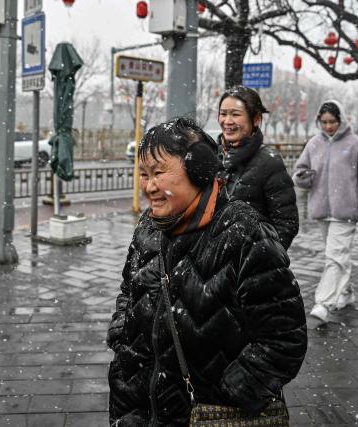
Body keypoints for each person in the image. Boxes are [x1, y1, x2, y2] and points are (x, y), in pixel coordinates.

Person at [107, 117, 307, 426]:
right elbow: (127, 290)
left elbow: (284, 339)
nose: (148, 187)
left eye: (159, 173)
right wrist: (122, 335)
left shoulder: (246, 234)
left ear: (199, 170)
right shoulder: (148, 228)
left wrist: (229, 394)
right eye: (143, 175)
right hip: (137, 411)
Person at [293, 100, 358, 324]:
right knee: (338, 256)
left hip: (346, 212)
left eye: (332, 122)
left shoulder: (356, 144)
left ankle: (323, 303)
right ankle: (346, 293)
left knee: (334, 257)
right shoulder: (314, 144)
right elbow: (299, 173)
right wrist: (303, 178)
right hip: (321, 211)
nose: (328, 126)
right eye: (324, 122)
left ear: (340, 121)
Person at [217, 85, 299, 249]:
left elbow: (286, 222)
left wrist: (260, 258)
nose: (227, 121)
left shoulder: (269, 161)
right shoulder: (212, 155)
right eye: (223, 113)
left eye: (235, 114)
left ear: (256, 119)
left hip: (247, 266)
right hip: (212, 264)